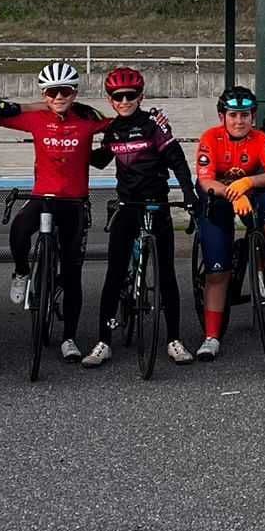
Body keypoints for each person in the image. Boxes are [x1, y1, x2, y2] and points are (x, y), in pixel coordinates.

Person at [0, 62, 117, 366]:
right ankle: (21, 270)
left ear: (75, 93)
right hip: (41, 198)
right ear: (44, 93)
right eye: (51, 91)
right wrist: (37, 104)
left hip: (74, 202)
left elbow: (121, 125)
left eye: (65, 91)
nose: (59, 96)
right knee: (19, 231)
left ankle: (69, 337)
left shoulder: (88, 118)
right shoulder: (36, 118)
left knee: (72, 274)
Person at [91, 66, 199, 361]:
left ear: (141, 96)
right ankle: (103, 340)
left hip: (156, 203)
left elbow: (177, 162)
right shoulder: (112, 129)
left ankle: (174, 339)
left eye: (130, 95)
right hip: (127, 205)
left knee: (166, 275)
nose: (124, 101)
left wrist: (189, 194)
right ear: (110, 99)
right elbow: (100, 160)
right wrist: (75, 147)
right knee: (114, 272)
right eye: (118, 96)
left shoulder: (154, 126)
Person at [192, 85, 265, 360]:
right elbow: (206, 180)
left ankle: (259, 267)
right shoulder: (210, 137)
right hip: (217, 197)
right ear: (223, 116)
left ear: (252, 117)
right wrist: (233, 194)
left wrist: (248, 182)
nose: (239, 121)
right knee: (217, 272)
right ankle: (211, 337)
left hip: (250, 192)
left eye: (244, 115)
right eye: (233, 115)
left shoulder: (259, 139)